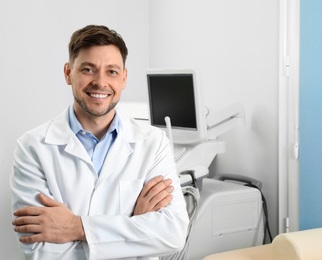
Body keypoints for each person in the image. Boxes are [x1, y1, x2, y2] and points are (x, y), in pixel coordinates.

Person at [10, 24, 189, 260]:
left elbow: (172, 234)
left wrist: (76, 227)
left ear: (124, 78)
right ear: (68, 73)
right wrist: (134, 226)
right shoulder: (32, 148)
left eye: (112, 71)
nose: (100, 82)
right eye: (88, 69)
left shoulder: (153, 143)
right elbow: (42, 252)